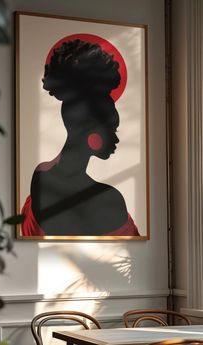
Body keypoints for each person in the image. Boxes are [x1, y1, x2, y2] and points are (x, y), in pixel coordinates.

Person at [21, 39, 139, 237]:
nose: (116, 141)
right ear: (93, 137)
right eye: (113, 130)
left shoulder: (40, 174)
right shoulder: (110, 199)